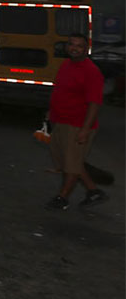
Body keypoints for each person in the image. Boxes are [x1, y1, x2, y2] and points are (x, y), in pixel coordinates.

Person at [45, 33, 108, 210]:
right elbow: (60, 91)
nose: (74, 48)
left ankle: (62, 198)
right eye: (71, 44)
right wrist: (51, 112)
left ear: (86, 49)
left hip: (77, 125)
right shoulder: (66, 65)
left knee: (71, 164)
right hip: (61, 121)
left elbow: (95, 104)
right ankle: (93, 191)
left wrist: (85, 130)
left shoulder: (91, 72)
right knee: (70, 161)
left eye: (79, 46)